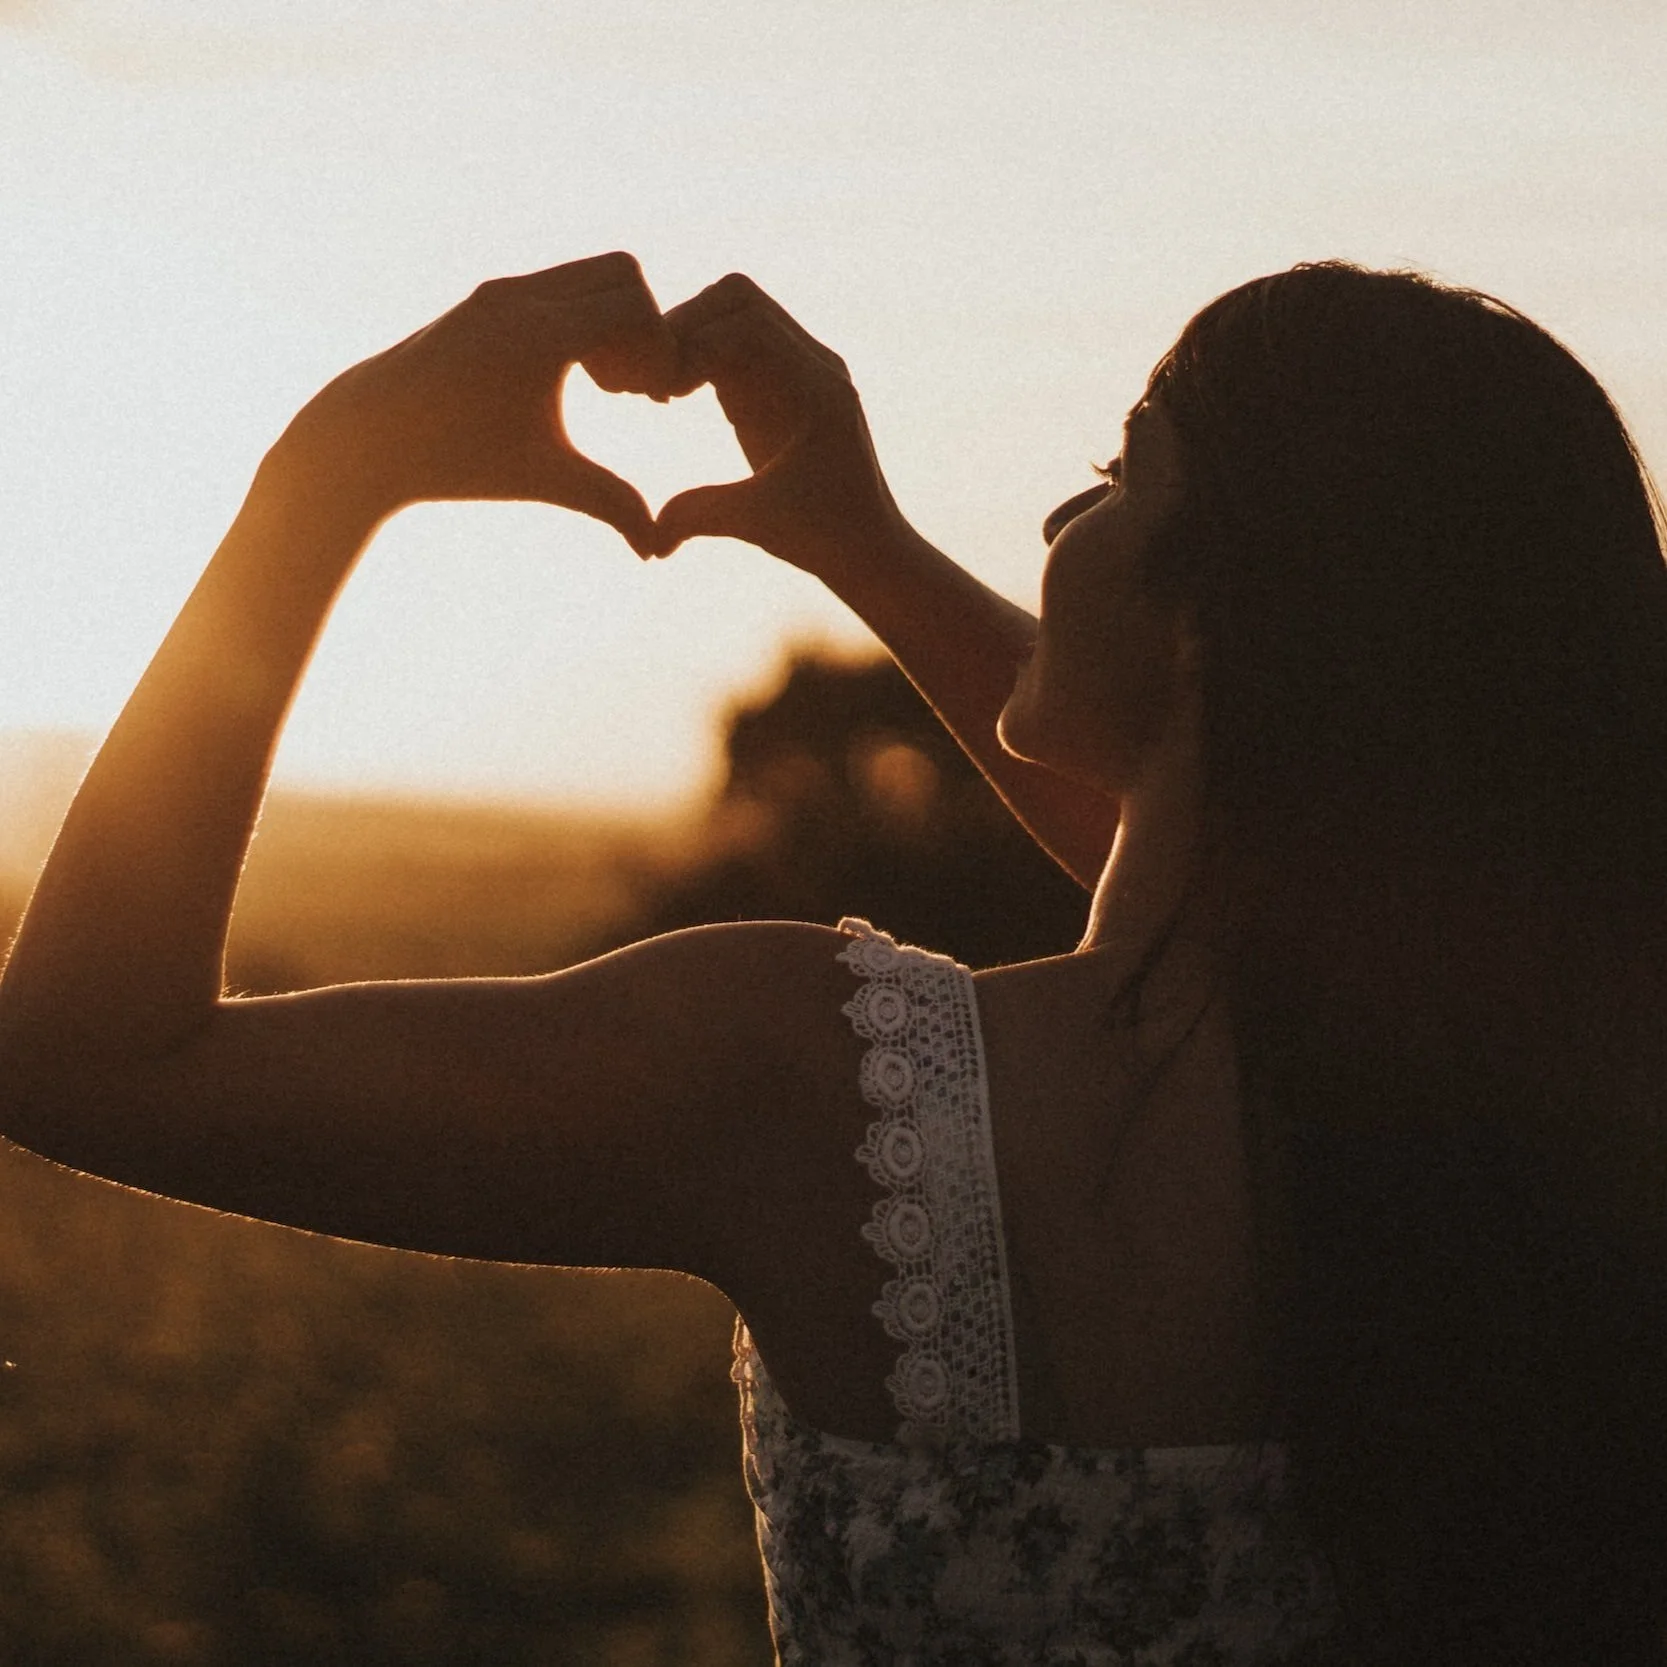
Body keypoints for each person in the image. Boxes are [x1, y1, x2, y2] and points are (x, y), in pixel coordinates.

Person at [1, 250, 1664, 1665]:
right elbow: (1292, 871)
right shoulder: (1559, 1114)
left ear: (1216, 614)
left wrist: (340, 455)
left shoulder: (816, 1087)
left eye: (1120, 464)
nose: (1058, 505)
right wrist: (859, 537)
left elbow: (87, 1052)